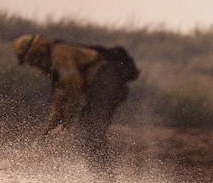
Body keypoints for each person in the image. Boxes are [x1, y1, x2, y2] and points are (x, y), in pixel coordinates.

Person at [13, 34, 138, 168]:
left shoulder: (60, 54)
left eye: (31, 60)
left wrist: (67, 124)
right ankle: (102, 177)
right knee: (86, 131)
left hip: (107, 80)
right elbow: (59, 101)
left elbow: (74, 88)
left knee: (90, 129)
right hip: (102, 84)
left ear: (37, 51)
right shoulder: (54, 67)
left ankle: (105, 178)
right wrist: (47, 131)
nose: (33, 65)